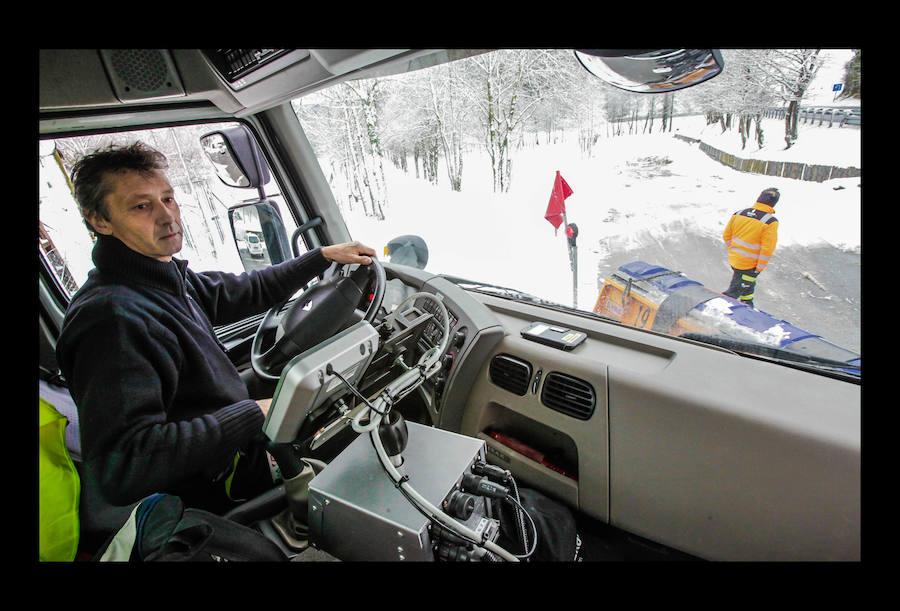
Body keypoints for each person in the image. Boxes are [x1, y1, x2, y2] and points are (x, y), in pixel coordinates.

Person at [55, 142, 377, 515]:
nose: (168, 217)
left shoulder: (160, 278)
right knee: (366, 432)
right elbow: (126, 466)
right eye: (142, 206)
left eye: (169, 199)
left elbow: (248, 291)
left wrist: (320, 258)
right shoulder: (112, 320)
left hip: (233, 447)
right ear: (99, 220)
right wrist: (252, 414)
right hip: (221, 485)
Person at [722, 188, 780, 309]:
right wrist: (759, 267)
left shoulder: (739, 213)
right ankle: (717, 308)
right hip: (750, 266)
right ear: (773, 204)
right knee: (734, 291)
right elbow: (767, 249)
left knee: (747, 286)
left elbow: (726, 236)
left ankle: (748, 305)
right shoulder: (770, 221)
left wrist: (734, 250)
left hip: (735, 260)